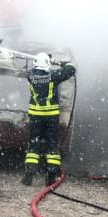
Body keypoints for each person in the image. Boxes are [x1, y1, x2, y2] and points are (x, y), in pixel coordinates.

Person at [21, 52, 76, 187]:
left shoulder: (30, 76)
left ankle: (29, 175)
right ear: (47, 64)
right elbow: (71, 70)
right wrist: (63, 64)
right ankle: (51, 177)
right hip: (51, 117)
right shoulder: (53, 76)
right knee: (52, 145)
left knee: (33, 144)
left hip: (35, 116)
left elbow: (33, 70)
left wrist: (47, 63)